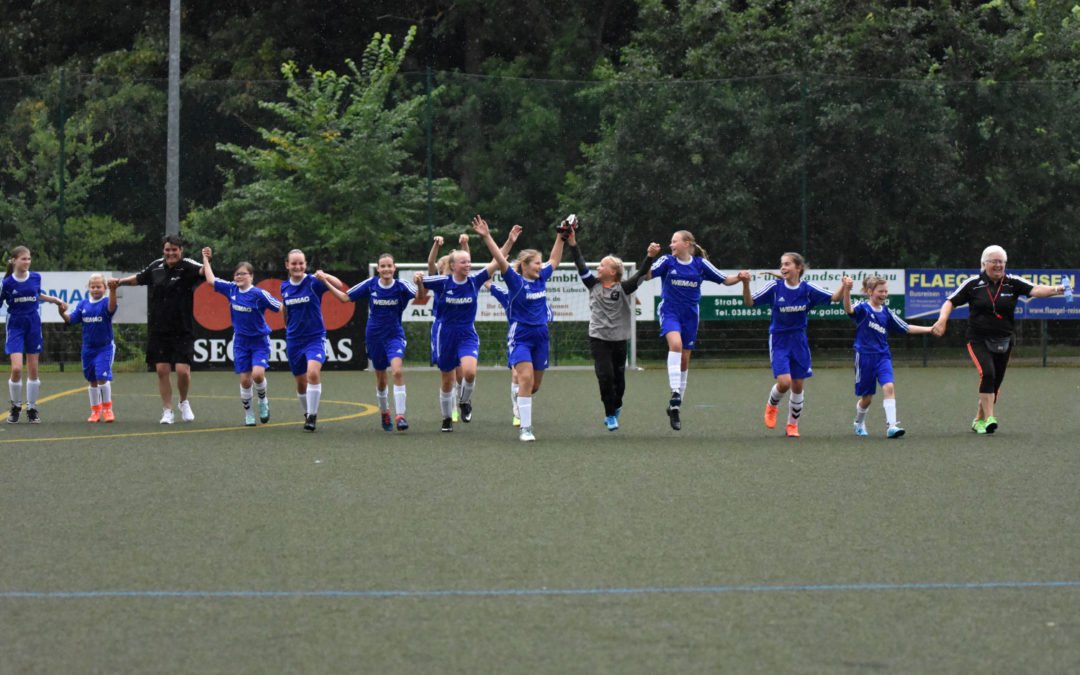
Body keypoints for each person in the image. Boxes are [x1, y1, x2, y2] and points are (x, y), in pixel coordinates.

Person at [931, 245, 1068, 434]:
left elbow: (1036, 290)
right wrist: (942, 319)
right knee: (987, 373)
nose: (998, 265)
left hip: (1005, 339)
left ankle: (978, 419)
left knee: (995, 381)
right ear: (983, 263)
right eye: (994, 261)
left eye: (1001, 262)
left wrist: (1057, 289)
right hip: (978, 338)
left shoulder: (1012, 282)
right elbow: (950, 301)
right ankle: (989, 419)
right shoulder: (973, 283)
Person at [419, 226, 521, 432]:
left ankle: (464, 401)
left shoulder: (474, 281)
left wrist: (510, 241)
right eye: (463, 262)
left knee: (470, 372)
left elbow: (497, 260)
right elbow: (422, 288)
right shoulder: (443, 282)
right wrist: (418, 280)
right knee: (447, 380)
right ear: (453, 265)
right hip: (445, 333)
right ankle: (447, 418)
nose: (468, 264)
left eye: (469, 261)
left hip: (466, 333)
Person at [472, 215, 564, 442]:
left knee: (534, 386)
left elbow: (554, 259)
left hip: (541, 337)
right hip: (521, 336)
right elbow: (499, 259)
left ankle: (517, 397)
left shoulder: (542, 278)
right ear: (524, 265)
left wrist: (561, 235)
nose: (540, 266)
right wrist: (487, 237)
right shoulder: (515, 281)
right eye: (535, 263)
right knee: (524, 379)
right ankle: (526, 428)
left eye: (540, 263)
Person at [740, 253, 850, 438]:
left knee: (798, 385)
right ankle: (772, 405)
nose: (783, 267)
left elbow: (835, 298)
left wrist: (844, 286)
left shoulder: (807, 289)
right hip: (779, 340)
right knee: (785, 383)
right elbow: (749, 302)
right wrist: (745, 284)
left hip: (799, 340)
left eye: (787, 264)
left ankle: (792, 425)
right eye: (782, 264)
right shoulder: (775, 288)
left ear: (798, 268)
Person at [646, 230, 743, 430]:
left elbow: (725, 280)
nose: (671, 244)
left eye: (674, 241)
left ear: (687, 244)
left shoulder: (700, 264)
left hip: (691, 315)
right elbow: (646, 276)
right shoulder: (666, 261)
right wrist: (649, 257)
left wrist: (741, 277)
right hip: (670, 310)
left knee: (684, 359)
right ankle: (675, 391)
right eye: (671, 241)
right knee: (676, 345)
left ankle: (675, 408)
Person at [568, 228, 660, 431]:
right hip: (598, 338)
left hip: (619, 339)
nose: (598, 267)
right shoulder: (592, 285)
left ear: (613, 272)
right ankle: (610, 414)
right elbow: (580, 263)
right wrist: (573, 243)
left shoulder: (624, 288)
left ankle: (616, 405)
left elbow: (641, 274)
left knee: (619, 379)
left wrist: (650, 256)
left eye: (602, 265)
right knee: (605, 376)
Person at [112, 234, 203, 424]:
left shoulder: (187, 266)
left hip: (182, 328)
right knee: (162, 369)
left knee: (182, 371)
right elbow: (138, 278)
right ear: (163, 250)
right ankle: (167, 410)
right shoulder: (156, 267)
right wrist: (119, 282)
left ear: (180, 250)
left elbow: (204, 272)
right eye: (167, 250)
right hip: (159, 328)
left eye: (174, 250)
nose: (171, 253)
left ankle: (183, 402)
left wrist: (207, 259)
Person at [319, 253, 416, 431]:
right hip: (374, 337)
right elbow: (344, 298)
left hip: (394, 335)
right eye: (383, 266)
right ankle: (384, 412)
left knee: (397, 372)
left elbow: (419, 295)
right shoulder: (370, 284)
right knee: (381, 379)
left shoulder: (402, 286)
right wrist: (325, 281)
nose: (386, 269)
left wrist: (422, 282)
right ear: (378, 269)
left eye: (389, 266)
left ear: (394, 268)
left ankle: (401, 416)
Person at [842, 275, 934, 438]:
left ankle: (892, 426)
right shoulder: (862, 308)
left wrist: (930, 329)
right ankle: (859, 421)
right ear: (870, 292)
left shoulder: (887, 313)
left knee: (889, 387)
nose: (884, 294)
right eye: (880, 291)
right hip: (864, 358)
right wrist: (847, 291)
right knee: (867, 398)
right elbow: (848, 309)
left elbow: (906, 327)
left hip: (883, 356)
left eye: (886, 291)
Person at [202, 248, 282, 427]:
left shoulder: (259, 294)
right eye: (236, 274)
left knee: (258, 374)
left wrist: (294, 321)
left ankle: (263, 401)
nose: (239, 277)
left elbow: (281, 307)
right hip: (240, 342)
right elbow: (210, 280)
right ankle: (249, 414)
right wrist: (206, 259)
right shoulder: (231, 289)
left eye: (243, 274)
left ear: (251, 276)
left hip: (259, 340)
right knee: (245, 380)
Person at [280, 249, 345, 432]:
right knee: (300, 382)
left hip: (314, 337)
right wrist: (287, 326)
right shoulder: (284, 287)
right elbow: (285, 308)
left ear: (305, 264)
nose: (298, 266)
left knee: (313, 374)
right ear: (287, 265)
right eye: (294, 263)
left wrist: (324, 275)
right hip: (294, 339)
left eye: (301, 263)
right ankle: (307, 412)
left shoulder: (313, 282)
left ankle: (312, 417)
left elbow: (339, 285)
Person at [2, 246, 68, 423]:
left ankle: (32, 408)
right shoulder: (6, 283)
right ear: (14, 260)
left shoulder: (36, 277)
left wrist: (55, 300)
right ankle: (16, 406)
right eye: (23, 259)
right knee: (16, 369)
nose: (27, 262)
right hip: (15, 325)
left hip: (33, 323)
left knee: (33, 370)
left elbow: (36, 295)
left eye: (29, 259)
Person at [59, 273, 118, 422]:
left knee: (101, 377)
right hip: (88, 349)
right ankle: (95, 411)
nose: (95, 289)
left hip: (104, 348)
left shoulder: (105, 302)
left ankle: (107, 409)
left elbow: (111, 308)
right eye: (93, 287)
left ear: (104, 288)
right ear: (88, 288)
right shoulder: (83, 304)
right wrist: (62, 313)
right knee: (92, 380)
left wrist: (113, 290)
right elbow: (71, 320)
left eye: (99, 286)